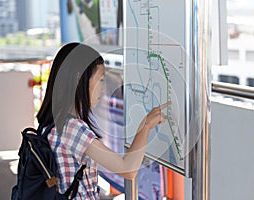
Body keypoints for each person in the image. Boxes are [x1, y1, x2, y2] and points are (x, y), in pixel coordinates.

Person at [36, 42, 171, 199]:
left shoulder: (52, 122)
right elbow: (127, 169)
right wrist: (145, 126)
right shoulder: (72, 128)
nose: (103, 87)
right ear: (80, 79)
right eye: (100, 80)